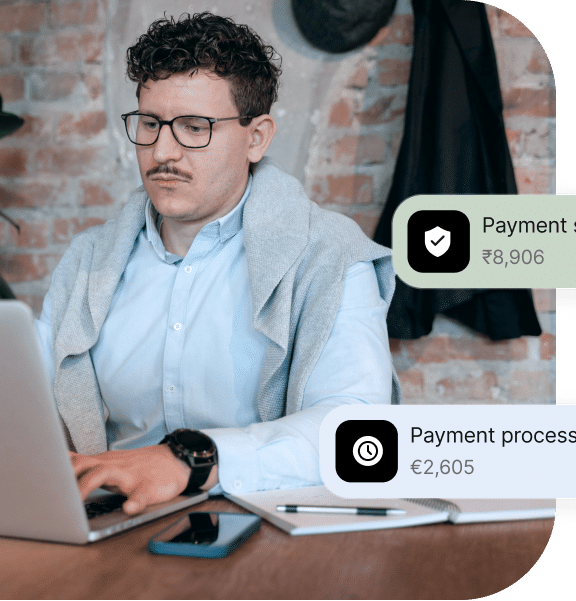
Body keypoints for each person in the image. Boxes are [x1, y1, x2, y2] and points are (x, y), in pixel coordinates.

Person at [34, 12, 400, 514]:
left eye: (194, 127)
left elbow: (358, 429)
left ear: (257, 137)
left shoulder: (330, 256)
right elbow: (23, 403)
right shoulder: (87, 263)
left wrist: (193, 461)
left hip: (267, 531)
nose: (162, 151)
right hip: (115, 528)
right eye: (149, 125)